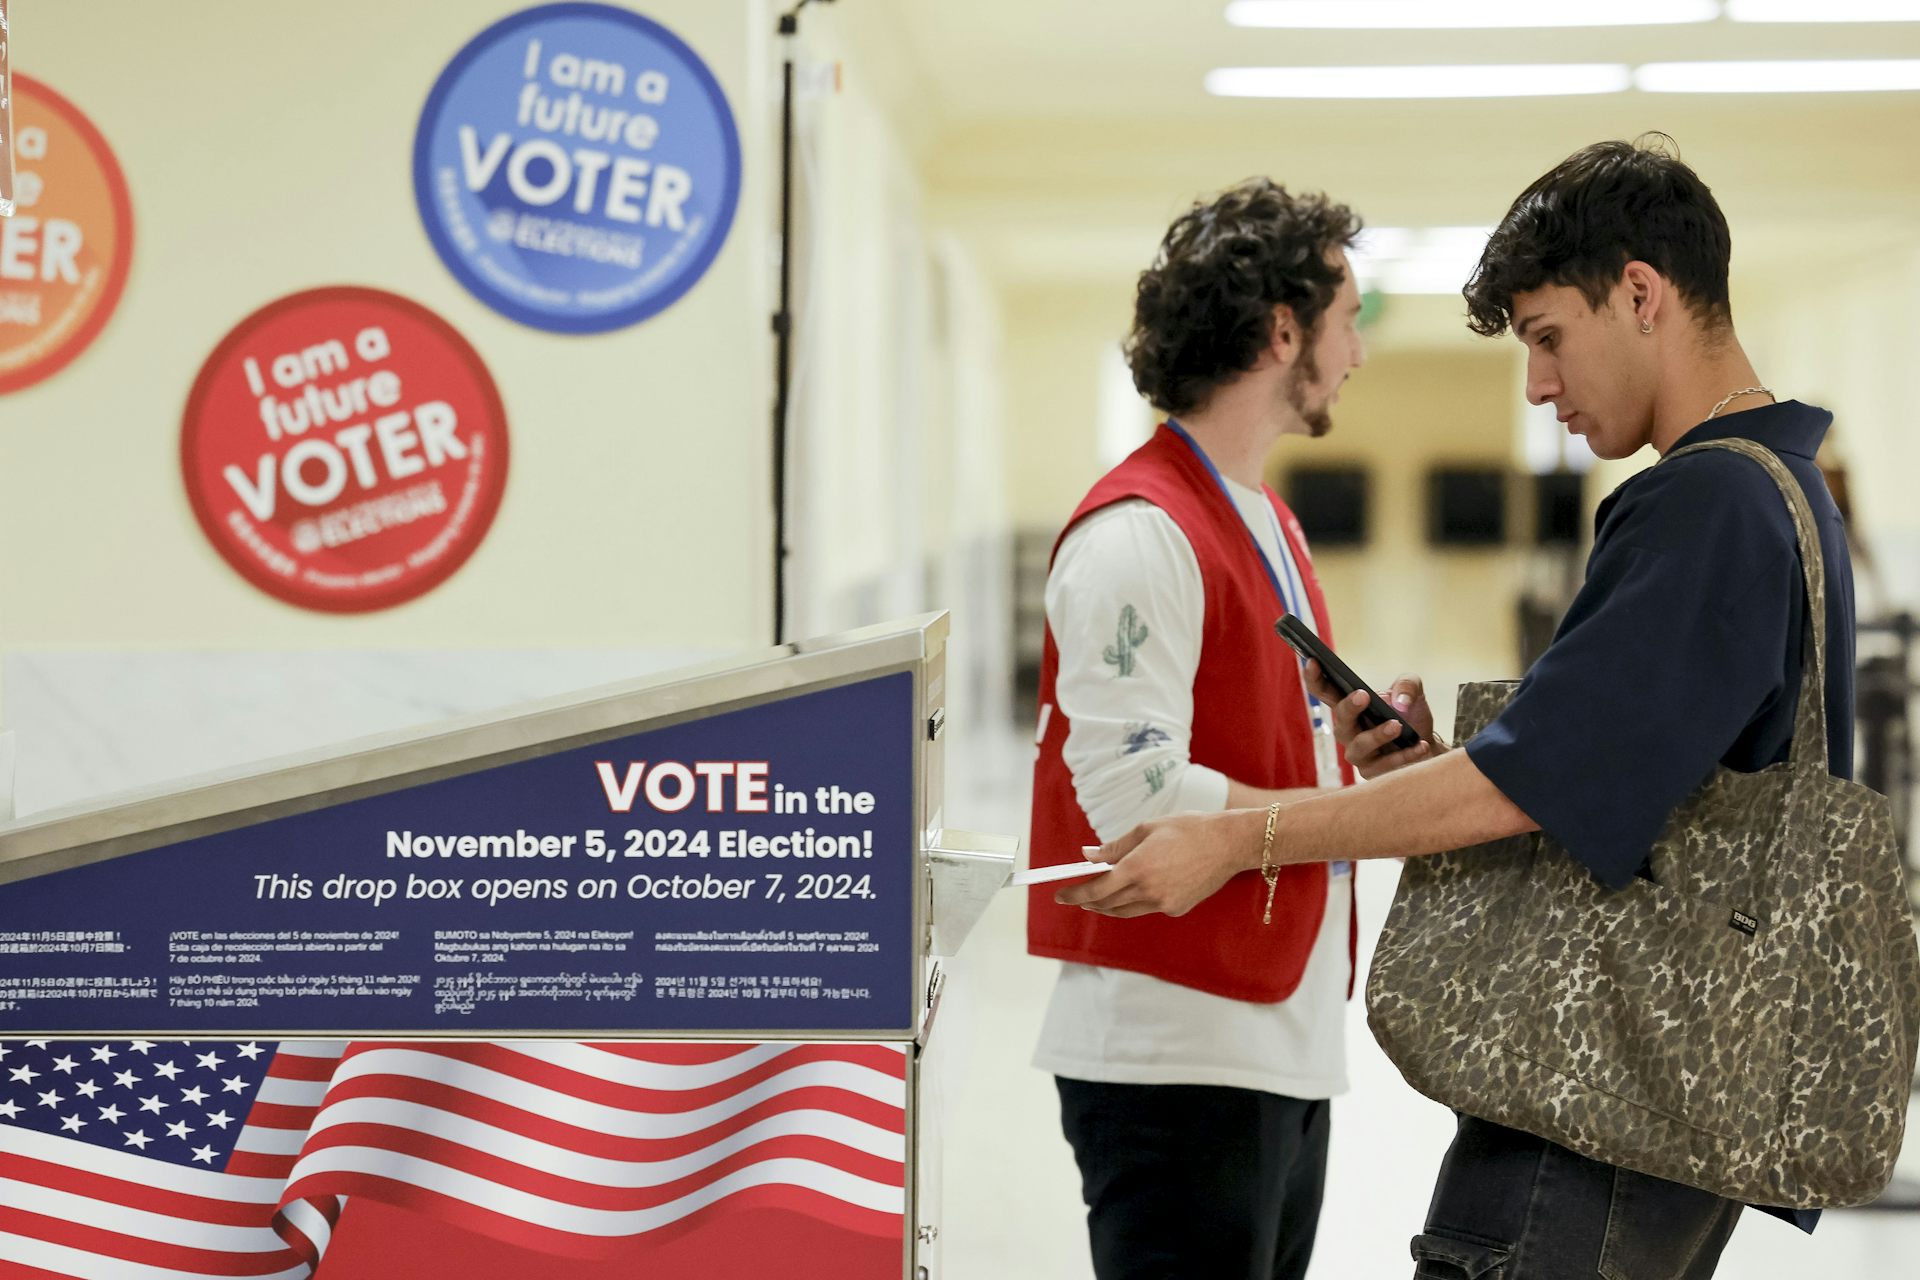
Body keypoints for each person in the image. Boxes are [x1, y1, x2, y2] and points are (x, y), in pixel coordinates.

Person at [1057, 136, 1862, 1278]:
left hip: (1602, 1097)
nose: (1538, 384)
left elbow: (1524, 785)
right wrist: (1443, 767)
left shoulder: (1706, 503)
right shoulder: (1790, 492)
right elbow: (1597, 765)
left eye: (1546, 338)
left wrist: (1246, 834)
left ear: (1640, 293)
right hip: (1675, 1093)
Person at [1025, 177, 1367, 1280]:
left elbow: (1255, 729)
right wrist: (1352, 814)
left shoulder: (1261, 514)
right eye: (1347, 318)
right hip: (1177, 1057)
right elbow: (1130, 795)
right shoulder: (1139, 535)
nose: (1357, 350)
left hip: (1276, 1041)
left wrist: (1350, 747)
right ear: (1283, 331)